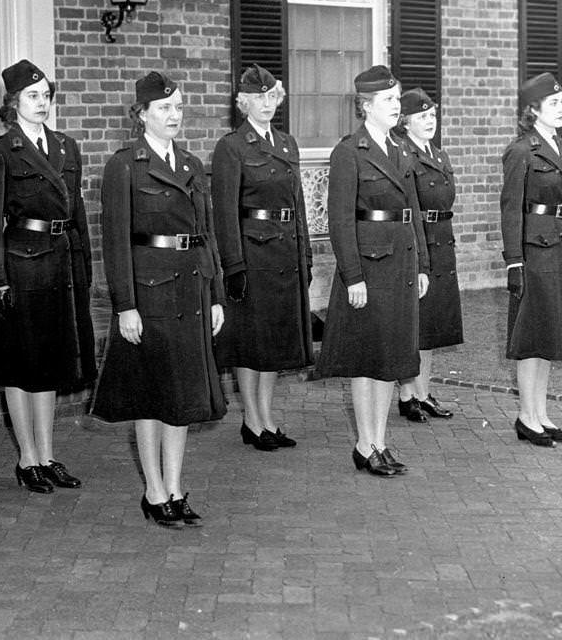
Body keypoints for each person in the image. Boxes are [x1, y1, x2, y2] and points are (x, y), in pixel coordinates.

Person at [90, 71, 226, 527]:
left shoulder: (190, 164)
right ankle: (153, 489)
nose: (174, 115)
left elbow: (207, 235)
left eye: (179, 107)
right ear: (141, 115)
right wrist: (125, 304)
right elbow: (115, 242)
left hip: (191, 289)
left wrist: (217, 296)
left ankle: (175, 485)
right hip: (149, 296)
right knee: (152, 394)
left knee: (183, 395)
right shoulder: (125, 164)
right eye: (164, 108)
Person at [0, 59, 97, 492]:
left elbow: (77, 213)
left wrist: (83, 268)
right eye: (32, 96)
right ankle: (27, 459)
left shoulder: (66, 146)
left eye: (46, 95)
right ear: (12, 103)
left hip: (61, 262)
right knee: (19, 366)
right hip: (21, 264)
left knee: (49, 364)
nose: (42, 103)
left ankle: (48, 455)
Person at [315, 65, 430, 477]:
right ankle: (365, 444)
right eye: (388, 100)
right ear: (365, 107)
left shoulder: (400, 149)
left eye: (397, 99)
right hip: (369, 268)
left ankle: (380, 440)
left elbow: (412, 210)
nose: (396, 106)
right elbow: (341, 221)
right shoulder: (350, 152)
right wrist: (353, 276)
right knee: (367, 360)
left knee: (390, 358)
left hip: (400, 266)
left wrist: (422, 265)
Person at [211, 64, 313, 451]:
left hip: (285, 252)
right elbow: (224, 212)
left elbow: (298, 205)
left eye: (272, 97)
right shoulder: (232, 147)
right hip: (252, 256)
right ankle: (251, 421)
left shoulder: (287, 144)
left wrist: (305, 255)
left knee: (273, 343)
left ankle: (266, 417)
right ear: (244, 103)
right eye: (259, 98)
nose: (267, 104)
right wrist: (233, 265)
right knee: (249, 341)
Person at [500, 72, 562, 446]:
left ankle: (540, 414)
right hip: (535, 250)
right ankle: (526, 416)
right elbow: (510, 208)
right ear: (533, 109)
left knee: (550, 333)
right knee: (532, 336)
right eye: (554, 103)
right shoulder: (522, 150)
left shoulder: (560, 146)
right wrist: (513, 261)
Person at [393, 88, 461, 422]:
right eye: (422, 116)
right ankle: (408, 395)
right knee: (415, 322)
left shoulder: (438, 153)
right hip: (418, 240)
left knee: (432, 322)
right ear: (405, 123)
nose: (429, 121)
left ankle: (423, 391)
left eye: (432, 115)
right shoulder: (403, 154)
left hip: (442, 239)